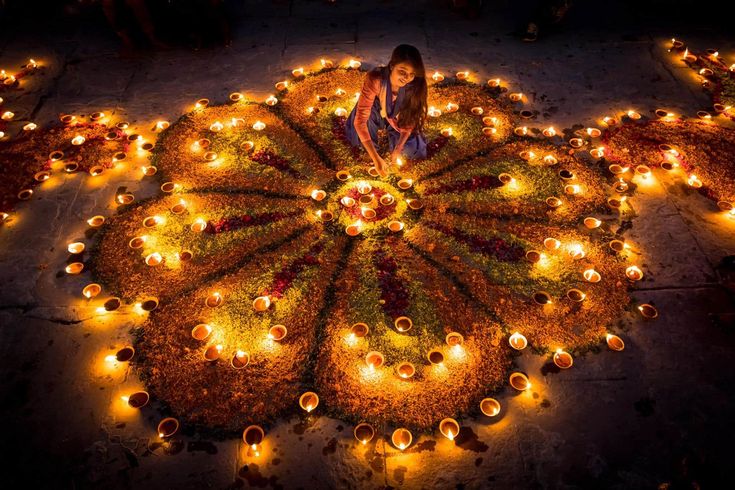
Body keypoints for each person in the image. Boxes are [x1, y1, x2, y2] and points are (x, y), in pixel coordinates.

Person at [345, 44, 428, 178]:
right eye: (402, 71)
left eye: (411, 74)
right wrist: (375, 158)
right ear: (391, 66)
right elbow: (360, 120)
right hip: (376, 111)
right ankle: (373, 149)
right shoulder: (376, 80)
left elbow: (410, 119)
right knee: (363, 144)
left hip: (396, 118)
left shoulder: (413, 86)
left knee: (412, 152)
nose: (407, 78)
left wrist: (398, 148)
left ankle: (392, 136)